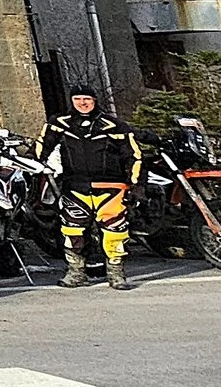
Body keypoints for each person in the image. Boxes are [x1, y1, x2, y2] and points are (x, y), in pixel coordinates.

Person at [39, 88, 143, 290]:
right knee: (72, 231)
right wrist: (27, 166)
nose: (82, 103)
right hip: (75, 187)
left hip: (112, 187)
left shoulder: (115, 125)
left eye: (87, 99)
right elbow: (41, 147)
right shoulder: (59, 123)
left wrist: (136, 185)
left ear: (95, 100)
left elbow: (134, 156)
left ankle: (116, 275)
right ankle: (76, 272)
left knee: (115, 232)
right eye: (77, 99)